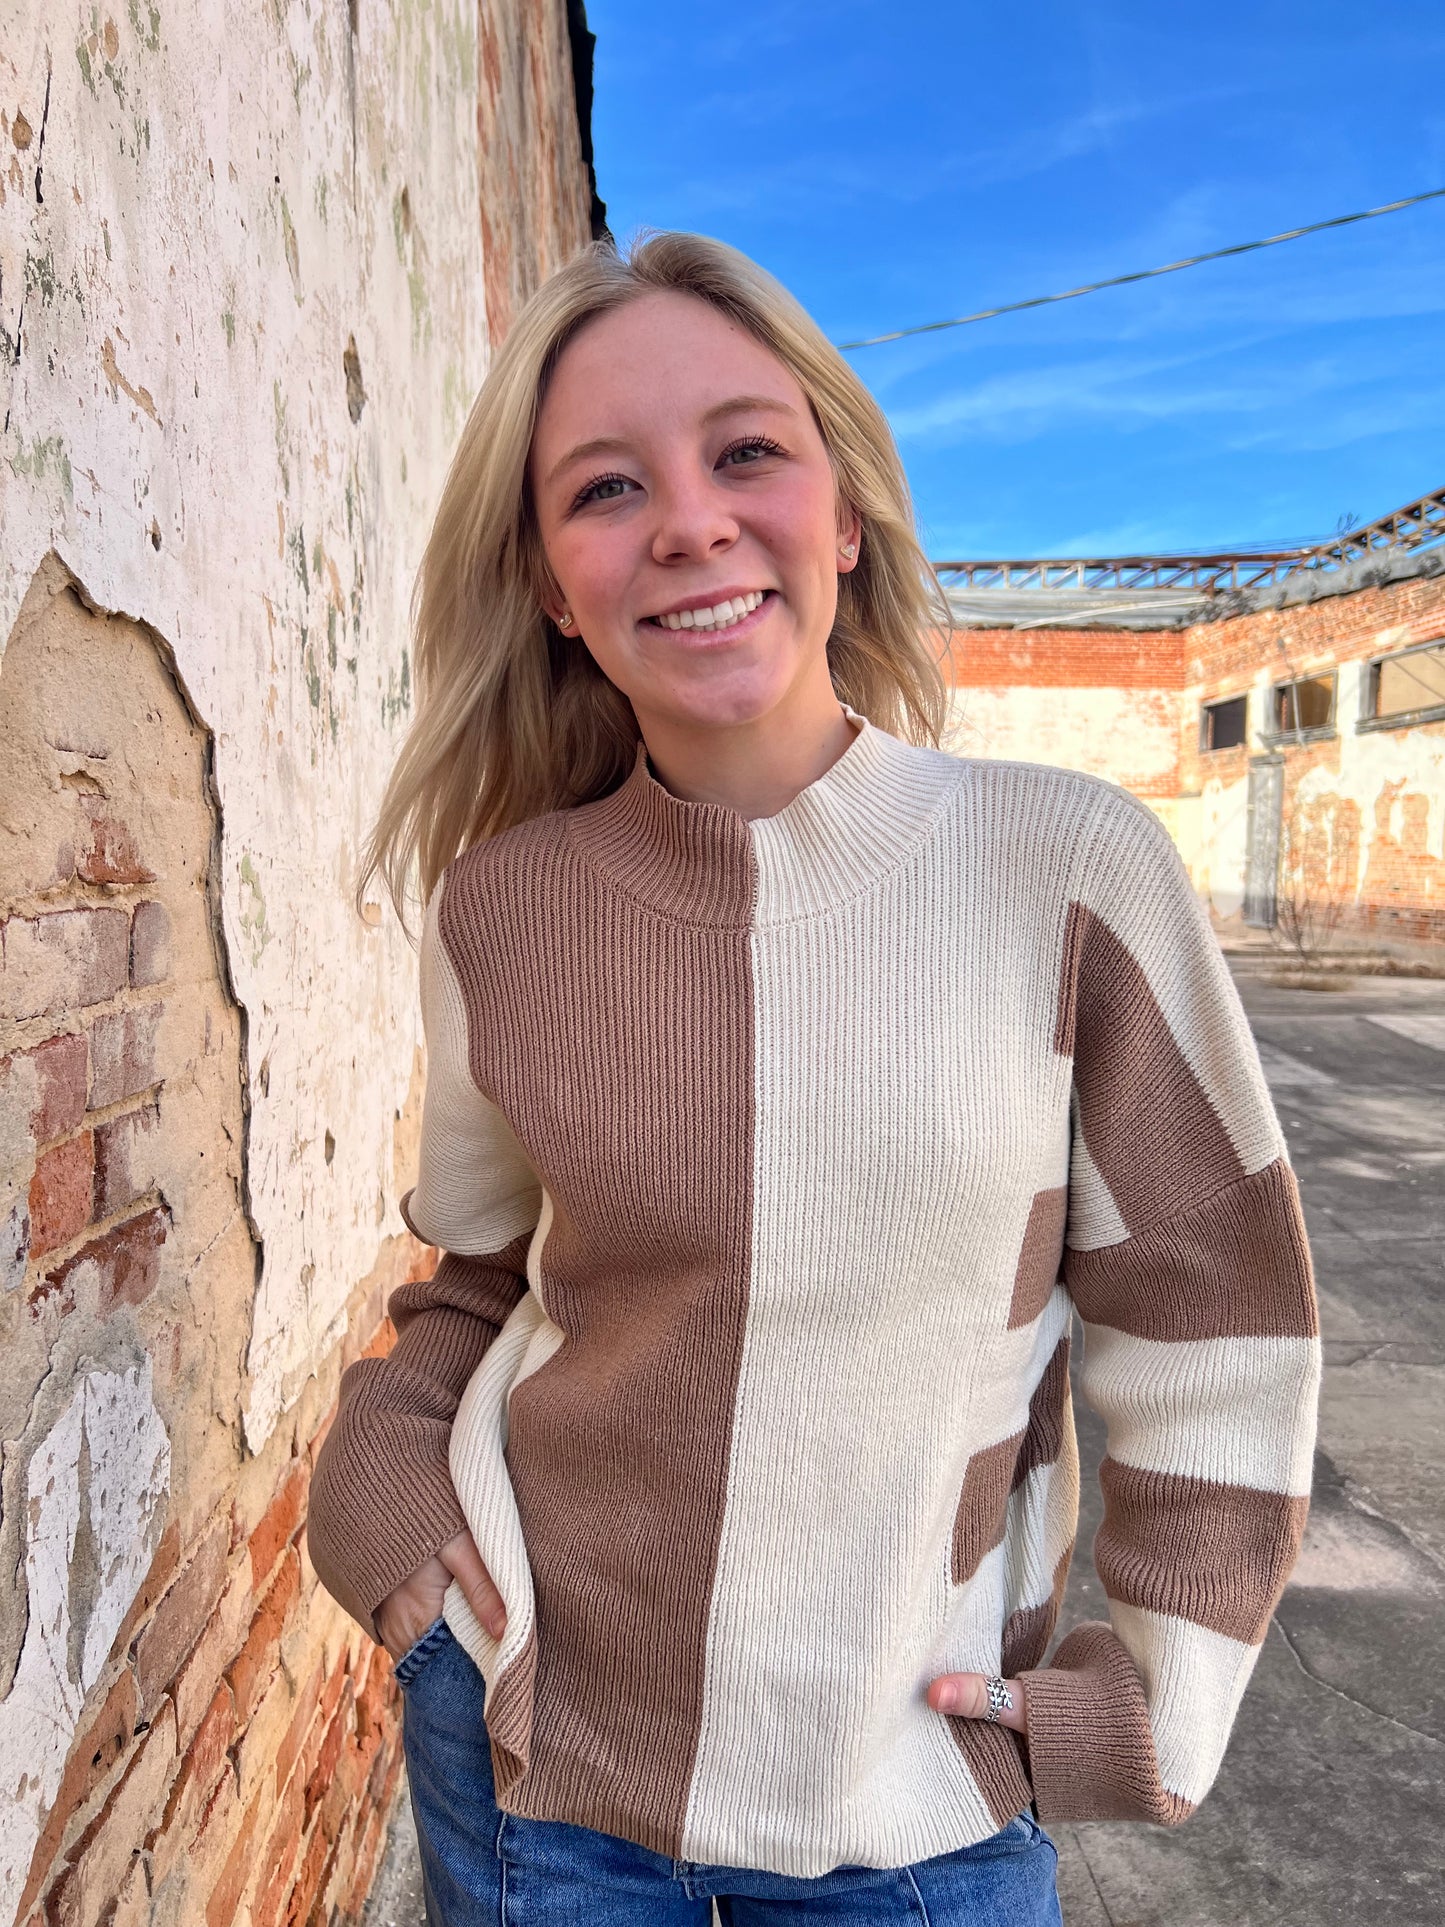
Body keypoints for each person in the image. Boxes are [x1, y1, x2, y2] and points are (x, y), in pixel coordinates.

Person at [305, 231, 1321, 1926]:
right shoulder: (501, 912)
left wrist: (1129, 1707)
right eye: (606, 487)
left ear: (844, 517)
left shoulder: (1066, 868)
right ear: (557, 586)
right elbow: (481, 1278)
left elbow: (1213, 1320)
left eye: (746, 452)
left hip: (916, 1814)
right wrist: (386, 1495)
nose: (690, 520)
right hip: (531, 1762)